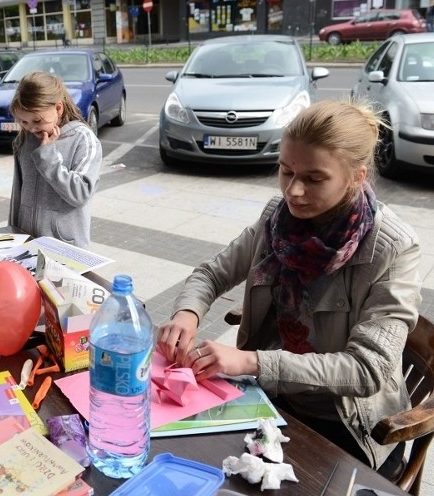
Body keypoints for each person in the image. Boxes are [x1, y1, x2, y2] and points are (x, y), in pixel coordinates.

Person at [157, 100, 420, 480]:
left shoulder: (392, 248)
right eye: (285, 171)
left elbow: (368, 369)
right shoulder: (276, 218)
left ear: (357, 176)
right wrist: (187, 313)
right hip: (270, 397)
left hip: (344, 423)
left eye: (314, 178)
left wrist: (252, 362)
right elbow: (211, 273)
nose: (294, 191)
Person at [7, 71, 102, 249]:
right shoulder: (25, 139)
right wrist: (13, 231)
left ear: (58, 108)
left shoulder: (83, 140)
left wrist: (48, 156)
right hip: (27, 242)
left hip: (64, 247)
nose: (31, 128)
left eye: (37, 120)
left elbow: (80, 194)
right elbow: (18, 192)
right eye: (24, 122)